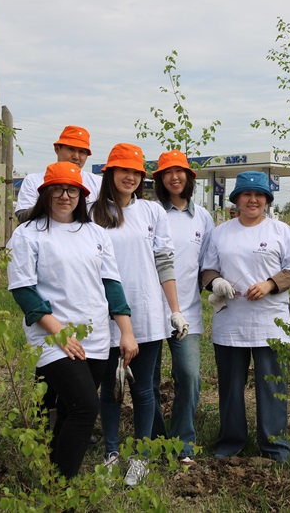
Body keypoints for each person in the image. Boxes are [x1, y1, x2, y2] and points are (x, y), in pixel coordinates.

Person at [6, 161, 138, 478]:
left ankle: (52, 473)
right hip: (52, 337)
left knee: (68, 410)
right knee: (84, 408)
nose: (65, 195)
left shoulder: (95, 233)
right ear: (45, 193)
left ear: (82, 195)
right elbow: (23, 291)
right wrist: (59, 333)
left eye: (72, 190)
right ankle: (61, 489)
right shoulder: (28, 234)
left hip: (94, 337)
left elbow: (112, 284)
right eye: (58, 189)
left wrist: (126, 332)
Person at [90, 143, 186, 485]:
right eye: (123, 170)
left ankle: (141, 457)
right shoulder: (91, 212)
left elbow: (164, 262)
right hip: (103, 314)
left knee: (144, 389)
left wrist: (175, 310)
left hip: (145, 312)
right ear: (110, 174)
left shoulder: (151, 213)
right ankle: (112, 452)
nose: (129, 177)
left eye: (135, 172)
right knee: (110, 388)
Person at [200, 171, 290, 462]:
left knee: (272, 385)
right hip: (230, 322)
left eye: (259, 195)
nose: (253, 200)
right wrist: (216, 283)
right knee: (231, 386)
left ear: (267, 200)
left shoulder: (280, 231)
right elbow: (207, 269)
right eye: (247, 194)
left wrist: (270, 284)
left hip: (270, 322)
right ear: (236, 199)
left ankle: (275, 446)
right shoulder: (220, 232)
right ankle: (230, 442)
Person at [149, 149, 214, 466]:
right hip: (147, 311)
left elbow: (207, 265)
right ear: (159, 179)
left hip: (185, 311)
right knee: (147, 382)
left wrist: (216, 287)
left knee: (189, 376)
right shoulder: (148, 213)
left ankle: (182, 443)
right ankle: (155, 438)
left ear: (190, 177)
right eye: (167, 172)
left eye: (180, 172)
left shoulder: (202, 218)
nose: (175, 177)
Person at [15, 125, 102, 223]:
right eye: (71, 149)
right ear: (57, 149)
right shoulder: (33, 180)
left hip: (85, 237)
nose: (76, 156)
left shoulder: (98, 182)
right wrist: (51, 201)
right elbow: (22, 216)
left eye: (82, 152)